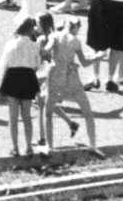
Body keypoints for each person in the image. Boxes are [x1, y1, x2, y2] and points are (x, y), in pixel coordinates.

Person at [43, 15, 103, 155]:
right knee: (87, 111)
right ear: (76, 28)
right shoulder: (75, 41)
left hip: (55, 76)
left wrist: (41, 51)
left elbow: (46, 50)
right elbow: (85, 63)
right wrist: (98, 56)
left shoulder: (55, 36)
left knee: (48, 111)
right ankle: (92, 145)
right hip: (71, 78)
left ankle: (49, 147)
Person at [0, 18, 45, 157]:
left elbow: (3, 64)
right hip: (28, 78)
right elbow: (37, 63)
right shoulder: (34, 46)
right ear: (31, 31)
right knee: (27, 116)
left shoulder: (10, 43)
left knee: (13, 116)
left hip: (12, 77)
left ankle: (15, 147)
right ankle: (29, 147)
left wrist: (1, 83)